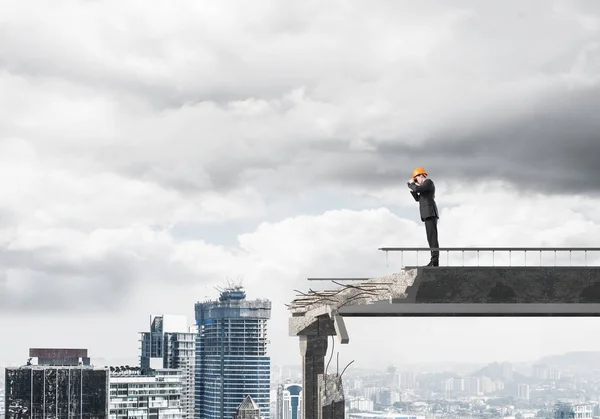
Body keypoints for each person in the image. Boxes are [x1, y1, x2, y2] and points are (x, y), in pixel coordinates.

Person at [407, 167, 440, 267]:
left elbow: (417, 189)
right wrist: (411, 186)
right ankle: (434, 260)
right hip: (427, 214)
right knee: (430, 238)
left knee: (432, 238)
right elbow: (418, 198)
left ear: (421, 176)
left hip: (430, 213)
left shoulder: (428, 182)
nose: (417, 182)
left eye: (417, 179)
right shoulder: (423, 188)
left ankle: (434, 261)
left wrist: (412, 184)